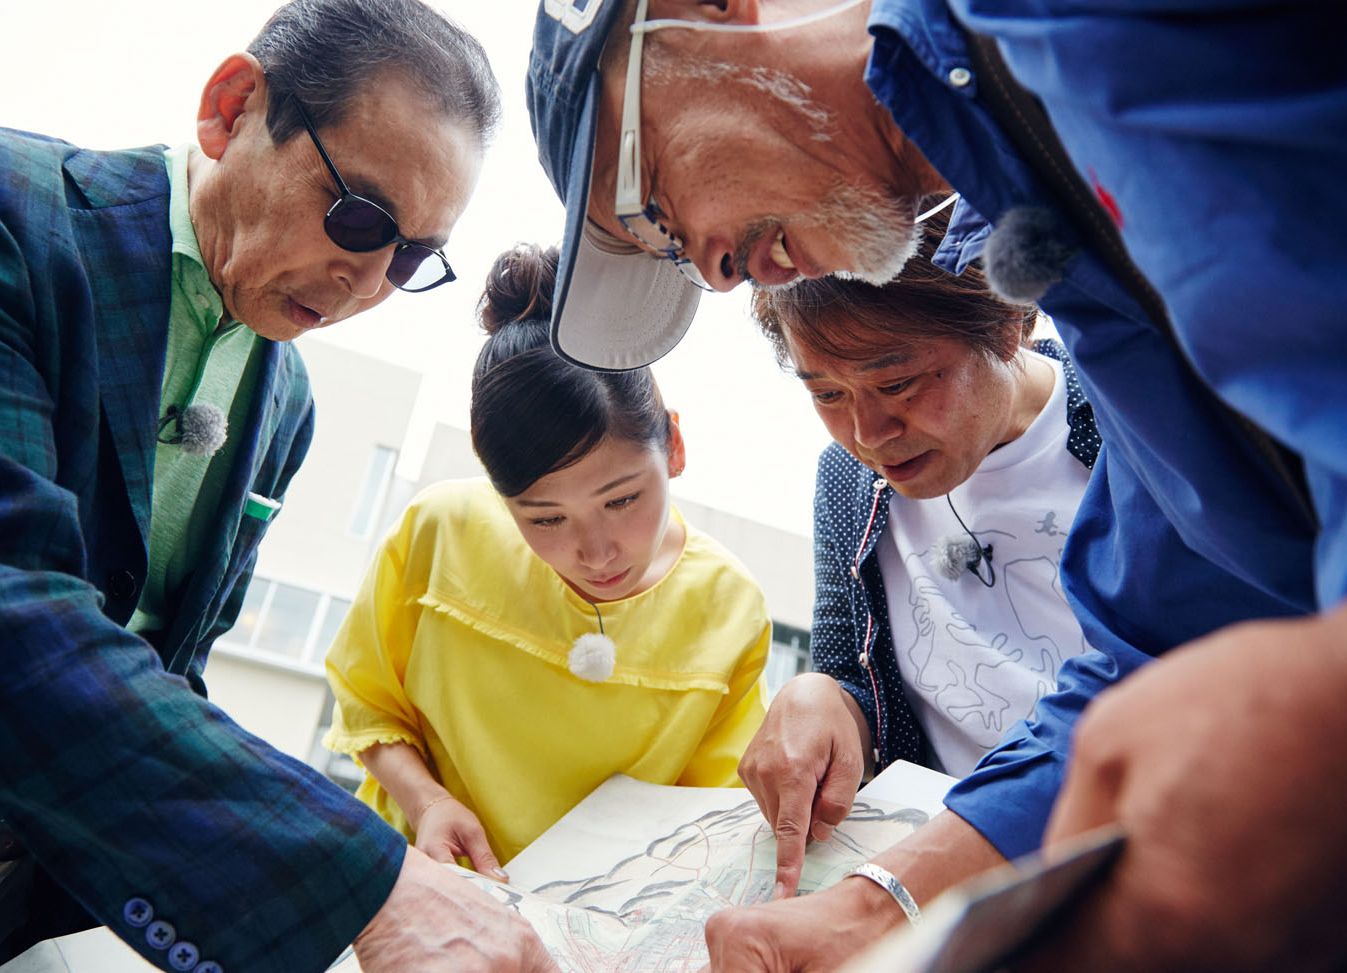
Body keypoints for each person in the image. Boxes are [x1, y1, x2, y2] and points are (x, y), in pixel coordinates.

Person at [524, 0, 1347, 969]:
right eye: (825, 390)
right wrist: (878, 905)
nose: (710, 267)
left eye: (650, 206)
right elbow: (1155, 633)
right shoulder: (1061, 244)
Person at [0, 2, 561, 971]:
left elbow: (173, 661)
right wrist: (358, 876)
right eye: (359, 215)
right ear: (231, 105)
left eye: (410, 254)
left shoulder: (285, 402)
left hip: (13, 903)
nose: (367, 280)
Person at [322, 242, 772, 874]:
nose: (595, 551)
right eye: (545, 518)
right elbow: (367, 703)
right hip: (426, 889)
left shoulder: (728, 605)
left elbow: (708, 816)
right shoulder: (441, 531)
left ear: (672, 444)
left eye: (621, 501)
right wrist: (427, 805)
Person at [739, 208, 1100, 898]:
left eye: (899, 383)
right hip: (940, 884)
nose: (868, 431)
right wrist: (823, 698)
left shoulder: (1127, 439)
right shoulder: (846, 482)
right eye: (827, 393)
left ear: (1009, 319)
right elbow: (852, 673)